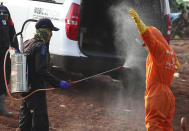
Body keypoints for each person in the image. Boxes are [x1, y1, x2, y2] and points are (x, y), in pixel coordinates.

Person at [129, 9, 180, 131]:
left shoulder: (157, 49)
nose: (146, 46)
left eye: (146, 45)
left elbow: (146, 35)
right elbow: (176, 65)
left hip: (156, 93)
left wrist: (138, 21)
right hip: (168, 96)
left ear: (154, 39)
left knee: (153, 124)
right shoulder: (170, 52)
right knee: (166, 125)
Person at [17, 18, 69, 131]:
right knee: (40, 122)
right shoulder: (41, 46)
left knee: (25, 119)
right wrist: (58, 83)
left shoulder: (27, 42)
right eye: (50, 31)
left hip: (25, 88)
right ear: (45, 30)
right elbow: (40, 70)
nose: (51, 34)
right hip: (36, 89)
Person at [0, 2, 18, 116]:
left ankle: (0, 105)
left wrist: (15, 47)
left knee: (4, 76)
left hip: (4, 51)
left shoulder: (4, 10)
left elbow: (11, 29)